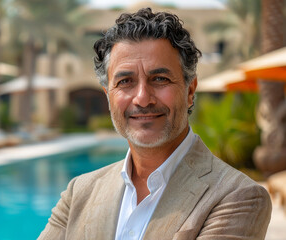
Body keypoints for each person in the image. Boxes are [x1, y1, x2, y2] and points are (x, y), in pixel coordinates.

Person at [38, 8, 272, 240]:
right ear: (108, 95)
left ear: (190, 91)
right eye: (125, 81)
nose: (142, 98)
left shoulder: (238, 197)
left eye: (160, 79)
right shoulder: (79, 193)